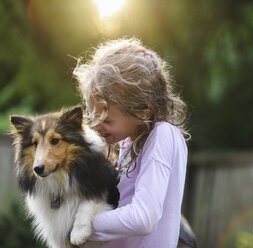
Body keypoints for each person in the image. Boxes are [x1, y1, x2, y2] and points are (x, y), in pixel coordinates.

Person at [73, 37, 191, 248]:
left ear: (142, 113)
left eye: (107, 120)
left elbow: (143, 218)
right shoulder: (130, 142)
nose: (96, 126)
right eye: (93, 116)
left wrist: (79, 223)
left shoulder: (162, 135)